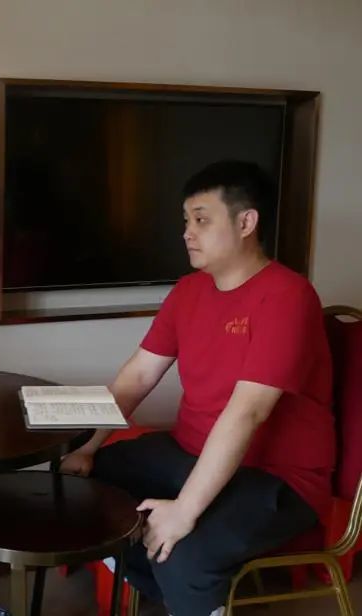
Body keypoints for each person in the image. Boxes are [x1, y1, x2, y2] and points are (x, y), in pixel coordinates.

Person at [60, 161, 335, 616]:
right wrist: (86, 448)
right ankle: (166, 587)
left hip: (277, 476)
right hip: (189, 452)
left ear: (246, 222)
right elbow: (138, 377)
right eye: (186, 220)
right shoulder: (188, 291)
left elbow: (248, 410)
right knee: (83, 488)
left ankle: (184, 584)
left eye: (202, 220)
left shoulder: (288, 295)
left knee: (182, 550)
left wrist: (184, 510)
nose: (187, 232)